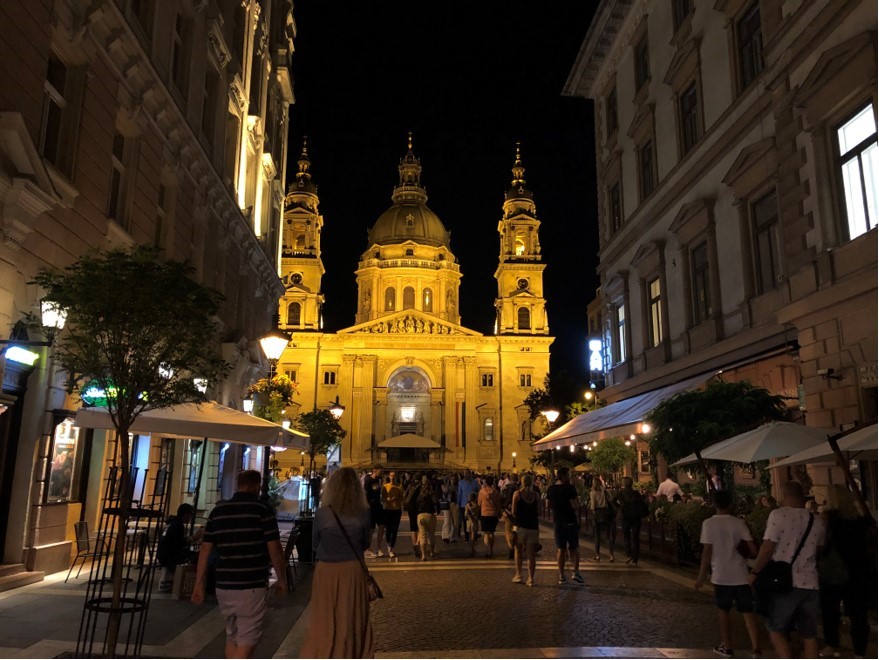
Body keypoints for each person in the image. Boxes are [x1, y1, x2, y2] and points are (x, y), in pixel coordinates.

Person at [192, 470, 286, 659]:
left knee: (233, 636)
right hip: (251, 583)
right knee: (248, 639)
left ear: (238, 485)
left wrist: (199, 584)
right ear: (258, 486)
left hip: (224, 584)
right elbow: (274, 549)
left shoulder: (218, 512)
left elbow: (205, 550)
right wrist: (282, 579)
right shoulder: (262, 510)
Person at [300, 467, 374, 658]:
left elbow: (315, 544)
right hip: (352, 571)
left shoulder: (323, 513)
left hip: (327, 571)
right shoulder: (364, 513)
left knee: (324, 617)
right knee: (351, 618)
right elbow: (365, 543)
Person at [749, 481, 826, 659]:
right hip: (811, 582)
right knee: (809, 634)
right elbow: (819, 548)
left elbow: (768, 547)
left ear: (785, 496)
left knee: (775, 628)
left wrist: (754, 572)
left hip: (786, 581)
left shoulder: (779, 515)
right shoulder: (817, 520)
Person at [695, 489, 761, 659]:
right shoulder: (739, 523)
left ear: (714, 504)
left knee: (723, 610)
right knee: (747, 611)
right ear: (730, 503)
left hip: (721, 574)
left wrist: (701, 575)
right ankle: (756, 647)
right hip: (740, 574)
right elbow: (753, 550)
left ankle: (728, 645)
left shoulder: (708, 524)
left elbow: (707, 552)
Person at [818, 485, 873, 659]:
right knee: (858, 613)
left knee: (830, 609)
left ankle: (832, 644)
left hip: (834, 570)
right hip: (859, 570)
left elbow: (821, 543)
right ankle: (860, 651)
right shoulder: (862, 520)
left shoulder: (828, 519)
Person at [546, 467, 583, 585]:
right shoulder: (570, 488)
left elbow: (548, 505)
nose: (569, 477)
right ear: (563, 476)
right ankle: (575, 572)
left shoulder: (551, 489)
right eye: (568, 475)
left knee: (561, 549)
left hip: (558, 521)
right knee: (574, 548)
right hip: (570, 521)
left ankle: (561, 575)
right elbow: (575, 505)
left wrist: (557, 507)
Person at [157, 503, 198, 593]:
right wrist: (192, 538)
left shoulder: (173, 522)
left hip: (163, 554)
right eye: (190, 515)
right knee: (196, 557)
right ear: (186, 514)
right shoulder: (178, 525)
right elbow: (178, 544)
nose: (190, 518)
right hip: (169, 556)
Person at [511, 474, 540, 587]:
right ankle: (531, 579)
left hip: (520, 526)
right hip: (533, 526)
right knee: (531, 554)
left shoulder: (517, 494)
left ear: (522, 482)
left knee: (518, 551)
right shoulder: (536, 495)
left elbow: (513, 512)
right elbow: (539, 511)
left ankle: (518, 575)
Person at [614, 476, 647, 565]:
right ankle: (635, 558)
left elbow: (613, 501)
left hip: (626, 516)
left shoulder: (621, 493)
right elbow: (642, 502)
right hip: (636, 517)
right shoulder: (635, 493)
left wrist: (620, 506)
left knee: (626, 536)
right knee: (635, 537)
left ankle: (628, 554)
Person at [589, 478, 615, 562]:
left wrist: (592, 511)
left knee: (597, 535)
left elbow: (593, 506)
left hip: (597, 513)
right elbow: (611, 500)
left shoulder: (593, 493)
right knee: (607, 535)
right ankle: (611, 555)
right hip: (605, 513)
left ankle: (597, 555)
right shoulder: (605, 491)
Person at [363, 466, 385, 558]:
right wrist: (367, 506)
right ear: (375, 470)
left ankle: (378, 548)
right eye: (381, 470)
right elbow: (365, 494)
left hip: (378, 506)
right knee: (371, 529)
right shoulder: (368, 480)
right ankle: (367, 549)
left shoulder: (379, 479)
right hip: (371, 507)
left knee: (381, 526)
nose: (382, 472)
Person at [380, 472, 404, 559]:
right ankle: (388, 545)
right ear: (389, 477)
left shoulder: (399, 486)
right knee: (388, 530)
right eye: (391, 476)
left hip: (397, 510)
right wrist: (387, 499)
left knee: (394, 530)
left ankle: (391, 548)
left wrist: (397, 498)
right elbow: (382, 498)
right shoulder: (385, 486)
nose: (392, 477)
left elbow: (402, 498)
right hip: (388, 510)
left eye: (394, 476)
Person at [478, 475, 501, 558]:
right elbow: (498, 504)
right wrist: (499, 512)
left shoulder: (481, 491)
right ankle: (491, 550)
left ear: (486, 482)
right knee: (491, 533)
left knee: (486, 533)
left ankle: (486, 550)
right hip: (493, 514)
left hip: (484, 513)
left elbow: (479, 503)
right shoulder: (495, 492)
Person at [415, 474, 438, 560]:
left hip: (421, 516)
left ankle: (423, 555)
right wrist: (437, 511)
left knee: (422, 535)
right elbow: (436, 503)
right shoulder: (432, 494)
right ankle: (432, 552)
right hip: (430, 515)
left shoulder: (420, 495)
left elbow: (416, 504)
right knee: (431, 535)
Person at [456, 470, 481, 540]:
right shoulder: (461, 483)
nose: (466, 475)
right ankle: (467, 537)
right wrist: (458, 503)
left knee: (474, 520)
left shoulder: (475, 482)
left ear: (470, 474)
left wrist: (476, 497)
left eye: (467, 473)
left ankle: (474, 536)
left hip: (473, 505)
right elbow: (459, 494)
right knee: (465, 521)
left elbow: (479, 491)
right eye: (465, 474)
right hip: (463, 504)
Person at [500, 473, 520, 560]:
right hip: (517, 514)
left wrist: (502, 511)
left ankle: (510, 547)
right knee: (515, 531)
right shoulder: (519, 488)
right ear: (517, 479)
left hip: (507, 513)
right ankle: (515, 548)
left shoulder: (504, 487)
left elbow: (500, 500)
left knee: (508, 531)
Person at [403, 476, 422, 558]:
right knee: (421, 528)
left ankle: (415, 544)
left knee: (413, 528)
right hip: (419, 509)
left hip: (411, 509)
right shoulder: (421, 487)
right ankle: (418, 544)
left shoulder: (410, 487)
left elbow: (406, 500)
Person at [464, 492, 481, 557]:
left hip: (469, 522)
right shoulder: (477, 506)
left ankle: (472, 548)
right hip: (475, 522)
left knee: (471, 534)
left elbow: (465, 515)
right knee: (473, 536)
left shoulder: (467, 505)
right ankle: (472, 548)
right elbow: (479, 514)